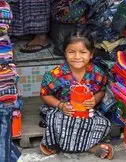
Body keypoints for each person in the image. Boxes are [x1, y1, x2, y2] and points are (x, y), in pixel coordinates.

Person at [39, 30, 113, 159]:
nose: (77, 57)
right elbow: (45, 94)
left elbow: (102, 90)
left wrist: (94, 99)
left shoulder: (97, 73)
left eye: (83, 52)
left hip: (87, 112)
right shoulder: (55, 74)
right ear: (65, 53)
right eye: (71, 52)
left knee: (103, 123)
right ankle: (88, 146)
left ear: (91, 54)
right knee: (59, 120)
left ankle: (83, 145)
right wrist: (61, 105)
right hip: (62, 111)